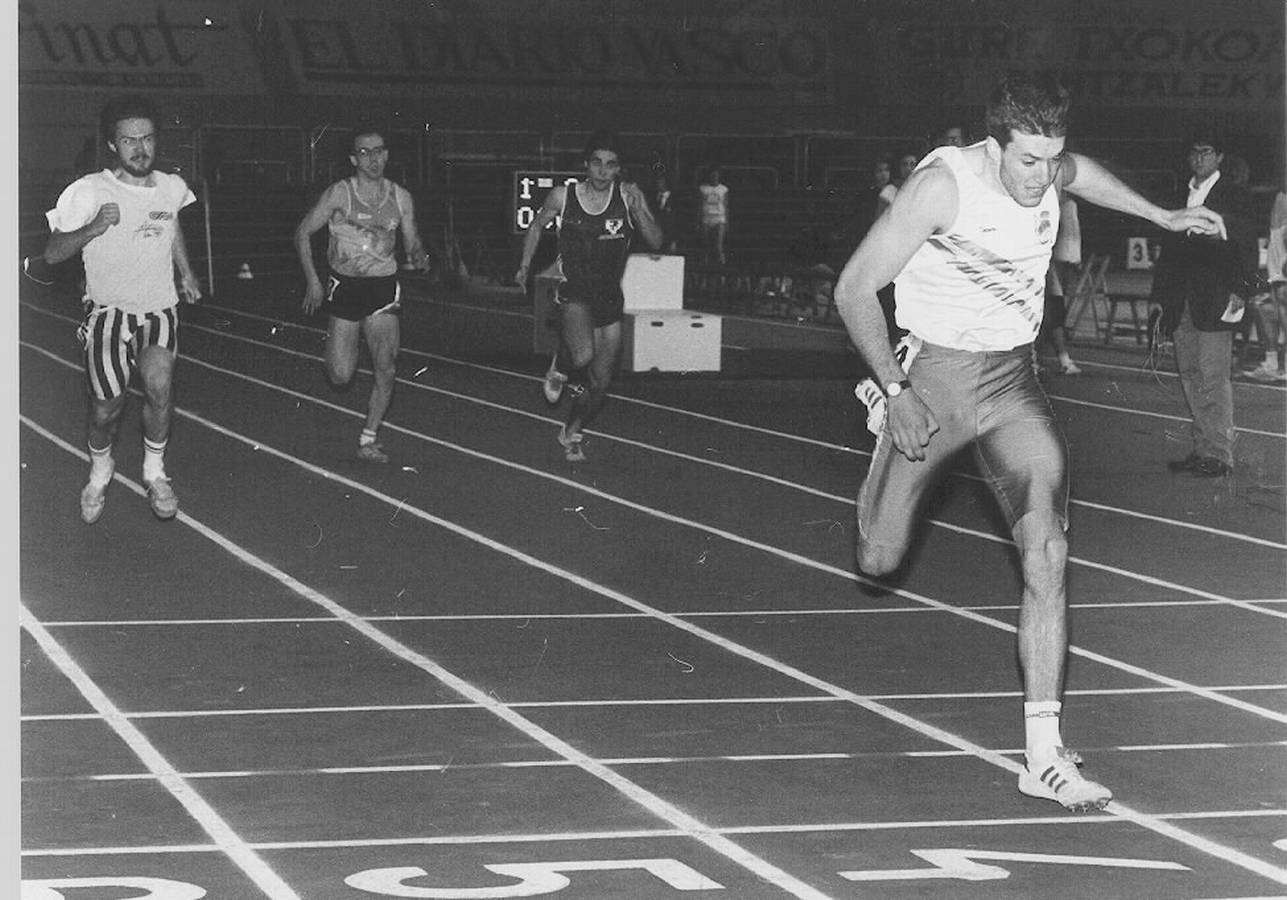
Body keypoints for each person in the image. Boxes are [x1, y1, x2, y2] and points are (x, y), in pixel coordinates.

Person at [835, 74, 1224, 811]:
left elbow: (1084, 176)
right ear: (993, 145)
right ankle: (880, 422)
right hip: (935, 378)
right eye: (1026, 162)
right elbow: (854, 289)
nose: (1040, 178)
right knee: (877, 559)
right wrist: (895, 389)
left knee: (1047, 552)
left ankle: (1043, 756)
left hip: (1013, 383)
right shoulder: (939, 187)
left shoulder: (1051, 168)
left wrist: (1160, 215)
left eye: (1050, 160)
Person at [43, 95, 202, 524]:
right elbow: (54, 253)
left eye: (147, 138)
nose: (140, 148)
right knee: (105, 410)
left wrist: (186, 272)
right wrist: (95, 226)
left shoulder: (170, 186)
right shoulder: (90, 190)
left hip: (158, 310)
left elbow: (171, 225)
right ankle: (100, 468)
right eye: (129, 140)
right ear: (112, 144)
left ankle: (155, 472)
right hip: (109, 313)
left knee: (160, 384)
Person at [514, 131, 662, 462]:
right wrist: (525, 265)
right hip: (573, 289)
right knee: (582, 357)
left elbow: (655, 241)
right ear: (586, 165)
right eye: (597, 163)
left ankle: (572, 431)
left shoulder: (627, 198)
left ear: (618, 169)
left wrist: (640, 211)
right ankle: (559, 365)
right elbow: (537, 226)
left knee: (600, 383)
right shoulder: (562, 196)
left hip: (609, 295)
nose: (603, 171)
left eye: (610, 165)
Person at [294, 126, 431, 463]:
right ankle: (343, 343)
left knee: (386, 367)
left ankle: (368, 438)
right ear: (354, 159)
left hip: (383, 287)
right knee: (341, 376)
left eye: (379, 151)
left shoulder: (401, 197)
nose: (373, 159)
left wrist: (418, 254)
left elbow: (412, 242)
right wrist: (313, 281)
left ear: (387, 155)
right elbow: (301, 234)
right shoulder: (339, 193)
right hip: (346, 287)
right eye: (365, 153)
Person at [1151, 134, 1257, 477]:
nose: (1199, 158)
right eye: (1194, 151)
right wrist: (1160, 299)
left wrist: (1242, 290)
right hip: (1181, 299)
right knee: (1190, 374)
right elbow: (1168, 254)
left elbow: (1247, 246)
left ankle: (1220, 453)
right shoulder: (1179, 195)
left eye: (1206, 152)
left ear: (1219, 156)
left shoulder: (1235, 195)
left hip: (1216, 297)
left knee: (1213, 377)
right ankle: (1203, 447)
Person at [1037, 193, 1083, 375]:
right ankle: (1055, 358)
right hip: (1049, 260)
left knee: (1056, 311)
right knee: (1049, 310)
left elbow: (1073, 229)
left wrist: (1075, 256)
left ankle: (1062, 359)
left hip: (1065, 259)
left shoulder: (1069, 200)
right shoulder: (1046, 197)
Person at [1248, 188, 1287, 382]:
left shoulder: (1282, 200)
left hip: (1282, 272)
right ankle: (1271, 364)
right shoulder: (1276, 230)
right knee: (1265, 308)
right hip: (1276, 271)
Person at [698, 166, 730, 265]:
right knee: (706, 246)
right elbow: (699, 204)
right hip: (706, 217)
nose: (714, 177)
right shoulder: (703, 189)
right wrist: (698, 220)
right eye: (712, 176)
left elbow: (726, 205)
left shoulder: (723, 189)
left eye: (716, 176)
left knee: (718, 246)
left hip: (719, 218)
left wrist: (727, 221)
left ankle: (722, 265)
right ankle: (705, 265)